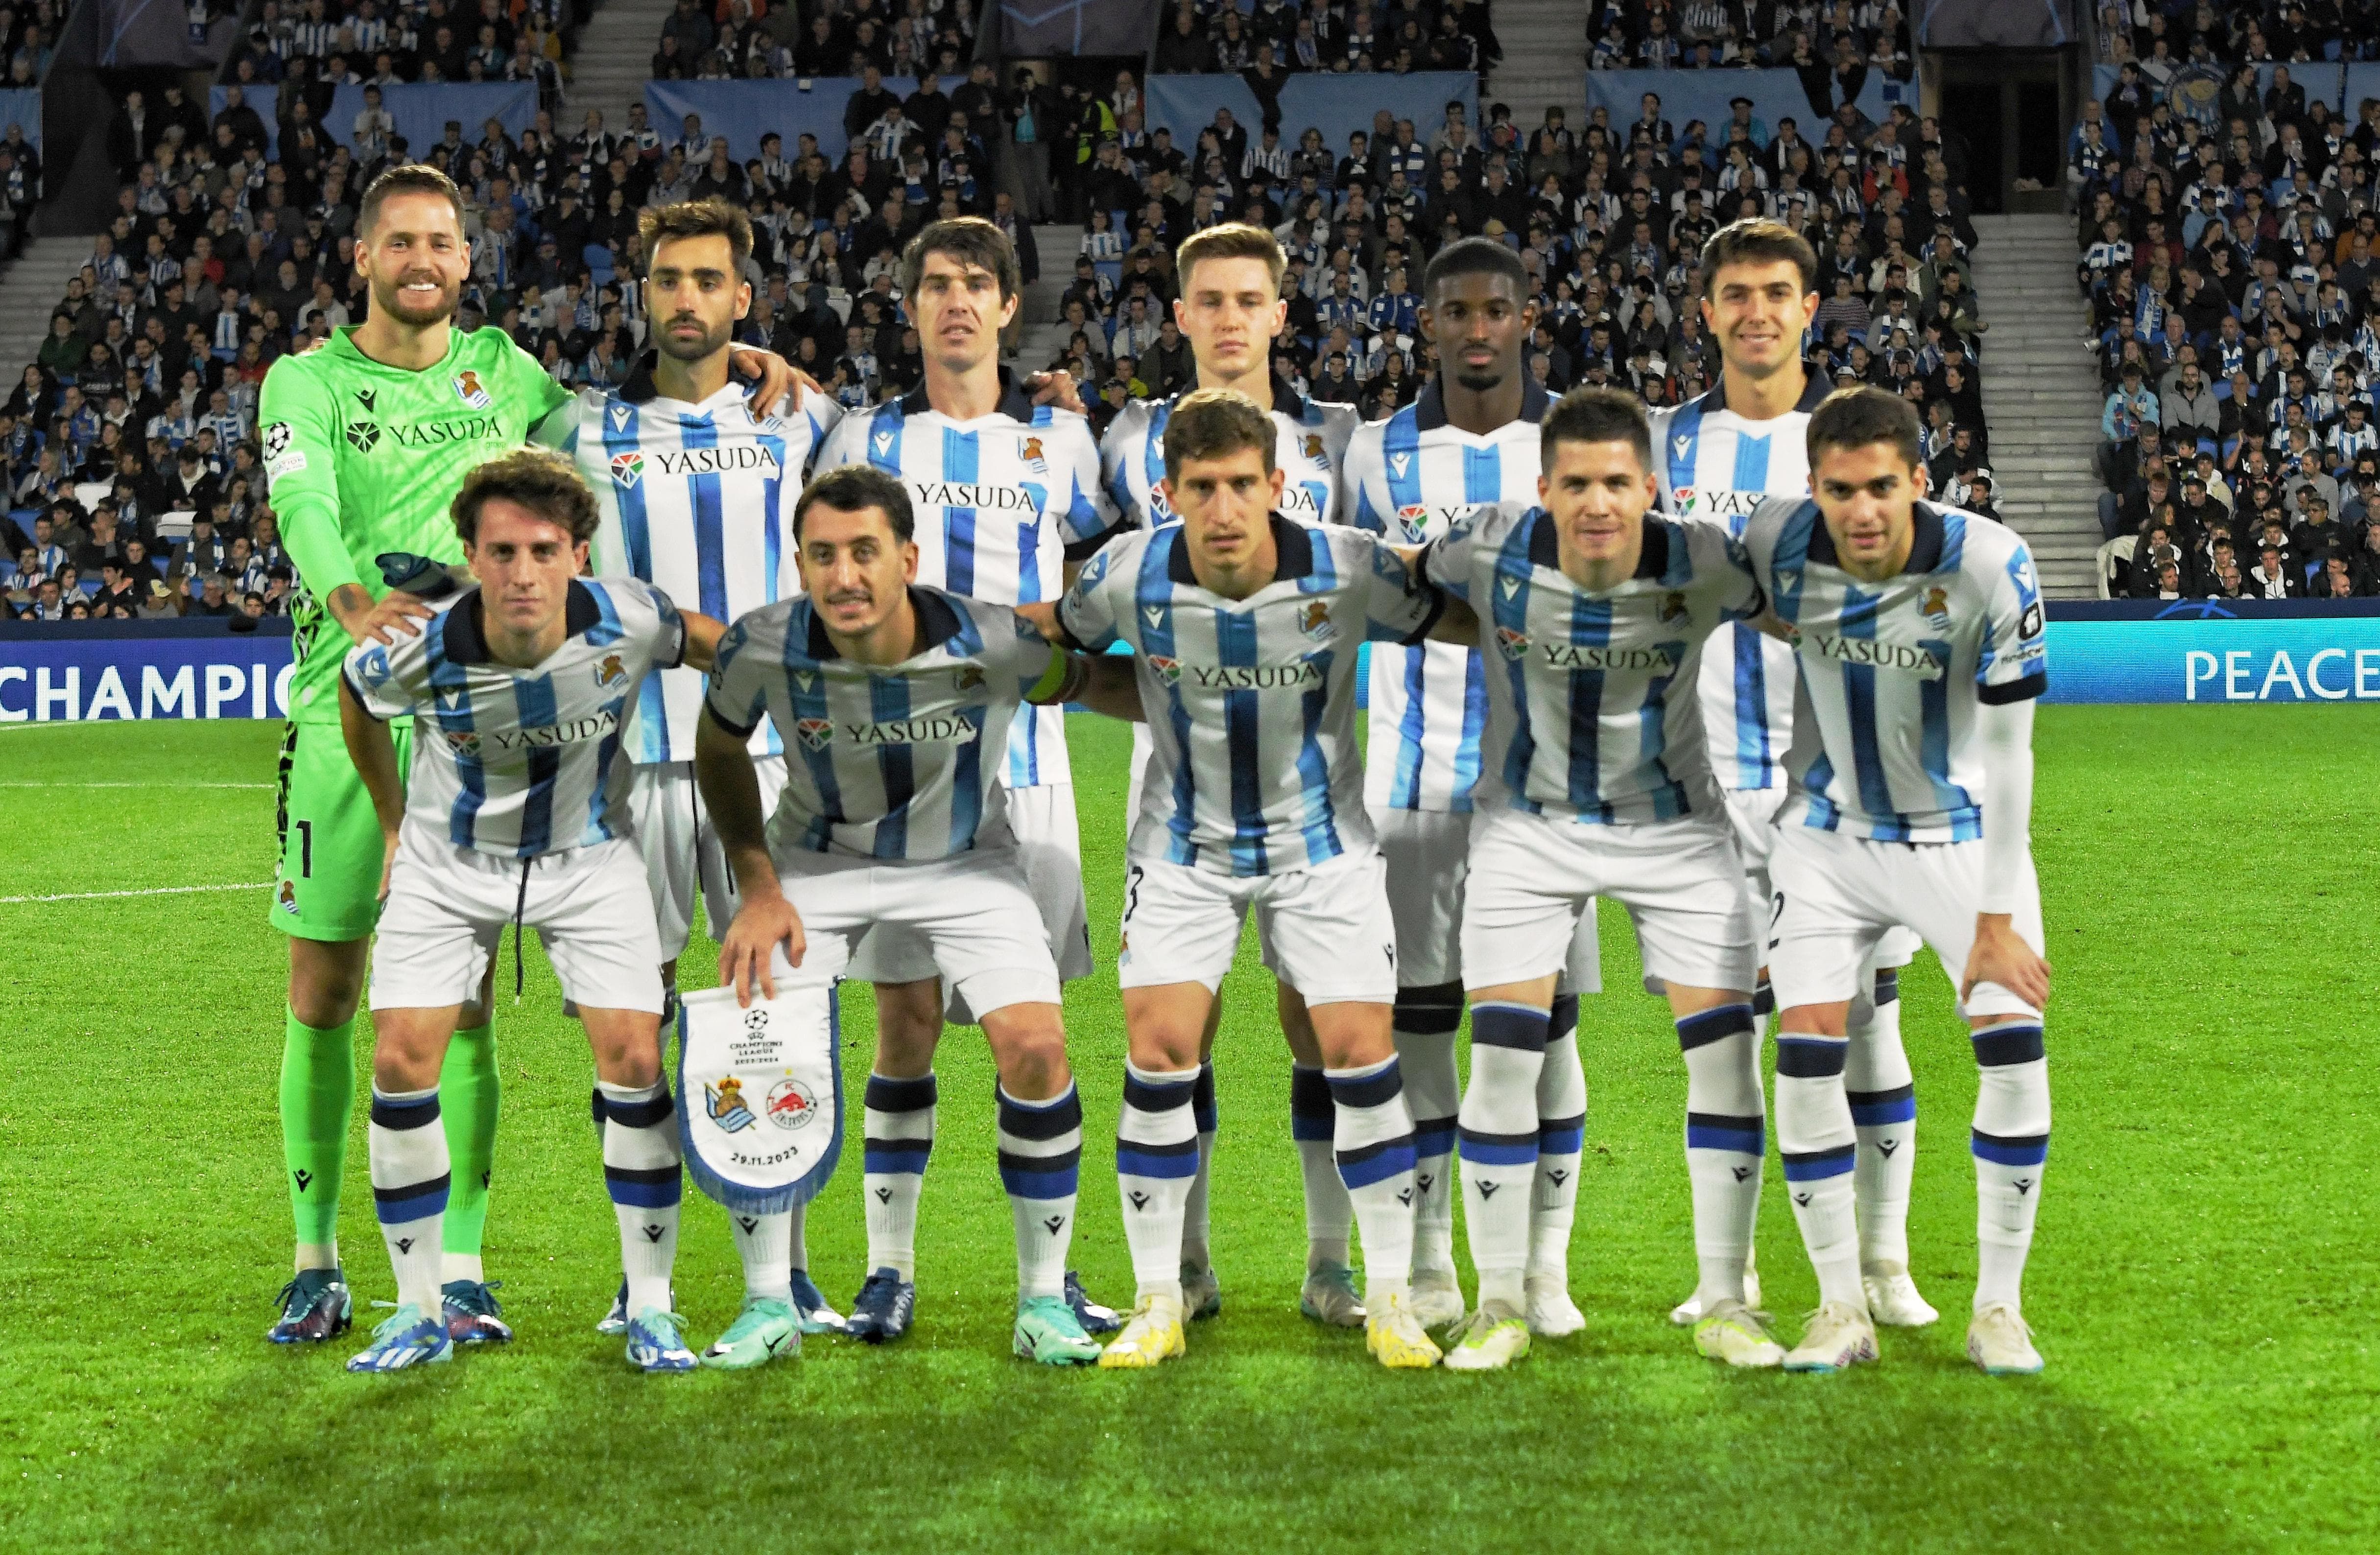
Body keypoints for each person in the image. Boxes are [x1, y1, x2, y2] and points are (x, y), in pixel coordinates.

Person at [257, 163, 801, 1348]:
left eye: (442, 242)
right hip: (342, 701)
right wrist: (350, 598)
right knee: (326, 994)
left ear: (465, 258)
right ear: (362, 257)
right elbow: (299, 501)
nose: (422, 260)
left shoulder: (505, 371)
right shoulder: (305, 380)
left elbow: (622, 417)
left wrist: (746, 366)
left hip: (485, 718)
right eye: (399, 240)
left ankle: (458, 1269)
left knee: (456, 1014)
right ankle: (314, 1258)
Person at [1048, 388, 1465, 1371]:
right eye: (1204, 488)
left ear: (1278, 484)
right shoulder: (1123, 574)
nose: (1226, 508)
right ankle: (1162, 1298)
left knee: (1360, 1052)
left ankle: (1389, 1298)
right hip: (1182, 848)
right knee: (1160, 1054)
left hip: (1321, 847)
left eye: (1244, 484)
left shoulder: (1350, 565)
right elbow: (1054, 648)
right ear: (1170, 491)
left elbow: (1453, 618)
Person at [699, 464, 1139, 1367]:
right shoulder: (763, 646)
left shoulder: (994, 639)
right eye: (822, 556)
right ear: (800, 563)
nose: (844, 577)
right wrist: (757, 883)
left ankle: (1043, 1301)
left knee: (1036, 1048)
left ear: (908, 556)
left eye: (865, 553)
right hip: (815, 865)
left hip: (963, 862)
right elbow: (719, 742)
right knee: (760, 1050)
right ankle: (770, 1299)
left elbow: (1091, 681)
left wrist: (1211, 693)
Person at [337, 449, 725, 1373]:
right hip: (446, 862)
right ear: (470, 556)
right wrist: (392, 823)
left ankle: (653, 1306)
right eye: (502, 551)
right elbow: (358, 701)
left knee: (634, 1056)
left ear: (578, 555)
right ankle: (420, 1310)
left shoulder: (628, 618)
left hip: (588, 860)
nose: (523, 573)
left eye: (544, 550)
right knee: (400, 1060)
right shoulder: (417, 648)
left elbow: (726, 646)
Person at [1415, 387, 1778, 1372]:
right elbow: (1408, 590)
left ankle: (1727, 1297)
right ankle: (1498, 1304)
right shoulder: (1489, 545)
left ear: (1649, 487)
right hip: (1527, 829)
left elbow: (1796, 615)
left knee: (1725, 1059)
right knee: (1502, 1058)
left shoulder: (1703, 558)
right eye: (1575, 482)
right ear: (1544, 488)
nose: (1597, 502)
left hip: (1678, 829)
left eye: (1617, 480)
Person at [549, 197, 848, 1353]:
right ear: (642, 294)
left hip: (767, 759)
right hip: (623, 764)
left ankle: (790, 1274)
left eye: (708, 280)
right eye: (667, 278)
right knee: (634, 1025)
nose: (686, 299)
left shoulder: (803, 416)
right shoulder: (583, 427)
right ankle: (645, 1282)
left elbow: (916, 442)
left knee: (775, 1014)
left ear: (743, 297)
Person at [812, 218, 1116, 1342]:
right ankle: (889, 1269)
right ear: (911, 305)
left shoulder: (1061, 445)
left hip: (1026, 769)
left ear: (1006, 308)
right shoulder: (862, 434)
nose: (955, 301)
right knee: (903, 1027)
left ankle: (1053, 1276)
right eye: (936, 283)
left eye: (976, 284)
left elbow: (1096, 557)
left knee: (1031, 1037)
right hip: (891, 778)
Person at [1648, 219, 1934, 1330]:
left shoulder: (1856, 438)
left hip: (1847, 781)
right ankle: (1727, 1278)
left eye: (1777, 290)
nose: (1756, 310)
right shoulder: (1667, 442)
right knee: (1718, 1035)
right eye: (1735, 293)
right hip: (1703, 782)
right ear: (1707, 311)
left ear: (1812, 307)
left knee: (1864, 1021)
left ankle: (1885, 1265)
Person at [1741, 386, 2054, 1378]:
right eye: (1841, 490)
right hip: (1827, 834)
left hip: (1957, 835)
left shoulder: (1991, 565)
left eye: (1882, 486)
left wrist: (1998, 921)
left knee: (2012, 1044)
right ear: (1814, 488)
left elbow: (2012, 757)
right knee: (1807, 1046)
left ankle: (1999, 1309)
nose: (1863, 510)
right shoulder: (1778, 540)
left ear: (1920, 481)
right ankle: (1840, 1306)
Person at [1094, 221, 1369, 1326]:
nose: (1227, 320)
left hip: (1316, 784)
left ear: (1279, 315)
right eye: (1207, 301)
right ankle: (1188, 1266)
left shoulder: (1345, 442)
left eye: (1248, 300)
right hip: (1177, 776)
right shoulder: (1125, 439)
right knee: (1176, 1026)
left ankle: (1329, 1262)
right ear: (1179, 315)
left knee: (1322, 1020)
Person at [1337, 236, 1596, 1337]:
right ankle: (1436, 1261)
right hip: (1412, 785)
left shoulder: (1575, 445)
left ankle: (1544, 1271)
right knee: (1427, 1031)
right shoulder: (1373, 453)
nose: (1479, 328)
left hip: (1551, 792)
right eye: (1458, 311)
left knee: (1551, 1033)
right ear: (1428, 324)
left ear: (1527, 317)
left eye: (1498, 309)